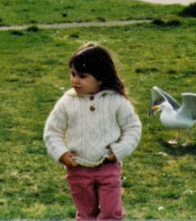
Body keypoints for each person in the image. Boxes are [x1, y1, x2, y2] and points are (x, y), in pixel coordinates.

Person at [43, 42, 142, 221]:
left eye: (82, 76)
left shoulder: (116, 101)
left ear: (100, 78)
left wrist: (118, 151)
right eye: (72, 74)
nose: (75, 80)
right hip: (78, 169)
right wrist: (61, 153)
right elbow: (52, 131)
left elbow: (132, 128)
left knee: (111, 213)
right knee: (86, 215)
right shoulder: (67, 101)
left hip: (108, 167)